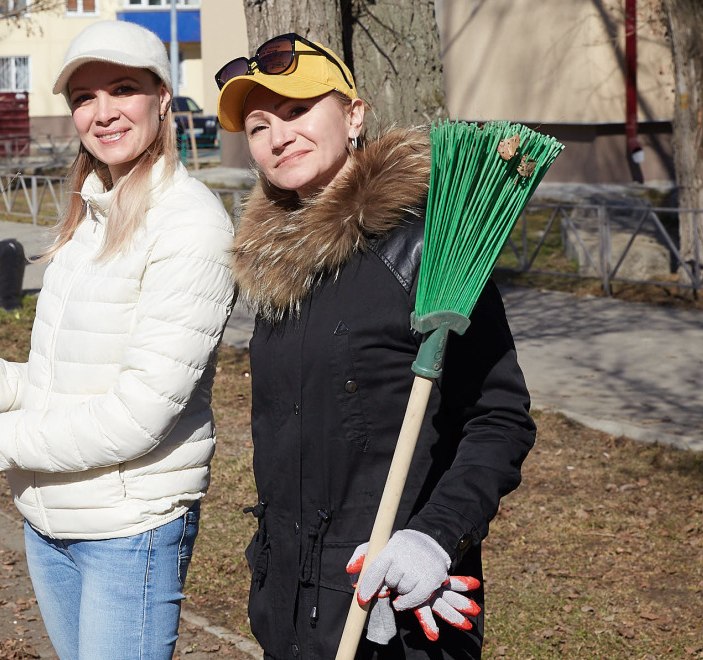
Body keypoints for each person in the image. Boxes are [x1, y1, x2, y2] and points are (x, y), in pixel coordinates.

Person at [0, 21, 235, 660]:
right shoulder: (90, 217)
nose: (103, 113)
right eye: (84, 98)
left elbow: (136, 416)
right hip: (51, 520)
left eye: (122, 89)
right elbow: (53, 384)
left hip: (130, 529)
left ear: (162, 99)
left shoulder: (190, 225)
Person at [214, 33, 535, 659]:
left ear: (354, 115)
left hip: (403, 608)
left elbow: (499, 419)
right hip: (289, 607)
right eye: (258, 126)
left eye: (298, 110)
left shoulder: (430, 249)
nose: (278, 137)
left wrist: (432, 540)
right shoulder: (280, 268)